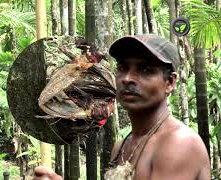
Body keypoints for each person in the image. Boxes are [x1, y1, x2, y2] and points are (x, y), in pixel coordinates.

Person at [33, 34, 211, 180]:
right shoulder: (122, 147)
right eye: (123, 68)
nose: (127, 78)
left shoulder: (179, 144)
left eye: (145, 70)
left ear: (170, 82)